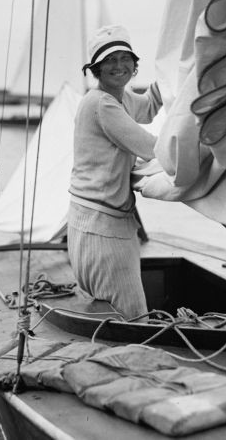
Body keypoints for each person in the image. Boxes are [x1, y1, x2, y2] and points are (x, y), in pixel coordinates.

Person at [67, 25, 162, 319]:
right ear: (96, 69)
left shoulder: (121, 96)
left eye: (125, 58)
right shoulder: (102, 103)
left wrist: (174, 73)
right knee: (132, 315)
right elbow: (150, 147)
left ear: (135, 65)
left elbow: (148, 108)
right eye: (109, 60)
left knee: (117, 312)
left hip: (96, 221)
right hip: (102, 229)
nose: (119, 66)